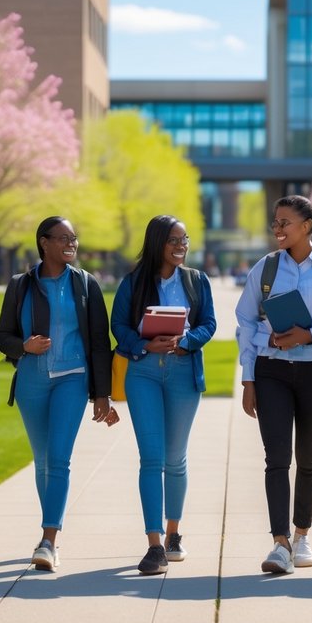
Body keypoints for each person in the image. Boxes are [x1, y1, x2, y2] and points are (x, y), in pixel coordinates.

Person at [235, 195, 312, 574]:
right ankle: (279, 544)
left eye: (285, 222)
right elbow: (245, 320)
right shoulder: (266, 268)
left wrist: (311, 336)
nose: (277, 228)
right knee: (277, 459)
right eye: (275, 222)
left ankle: (302, 534)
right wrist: (250, 373)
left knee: (308, 457)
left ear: (307, 226)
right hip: (271, 370)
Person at [0, 216, 116, 572]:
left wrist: (102, 394)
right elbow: (3, 338)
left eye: (74, 238)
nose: (71, 244)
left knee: (60, 458)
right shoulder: (20, 285)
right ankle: (49, 532)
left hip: (72, 379)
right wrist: (24, 346)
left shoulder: (85, 284)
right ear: (43, 242)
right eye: (63, 238)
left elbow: (99, 342)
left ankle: (49, 539)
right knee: (43, 460)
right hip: (32, 381)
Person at [111, 216, 217, 575]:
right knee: (151, 458)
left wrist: (185, 341)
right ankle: (154, 545)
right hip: (142, 373)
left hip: (183, 371)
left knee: (176, 458)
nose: (180, 245)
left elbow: (209, 324)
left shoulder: (196, 281)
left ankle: (174, 534)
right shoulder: (132, 282)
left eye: (184, 239)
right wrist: (144, 343)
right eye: (173, 240)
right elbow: (119, 327)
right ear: (157, 242)